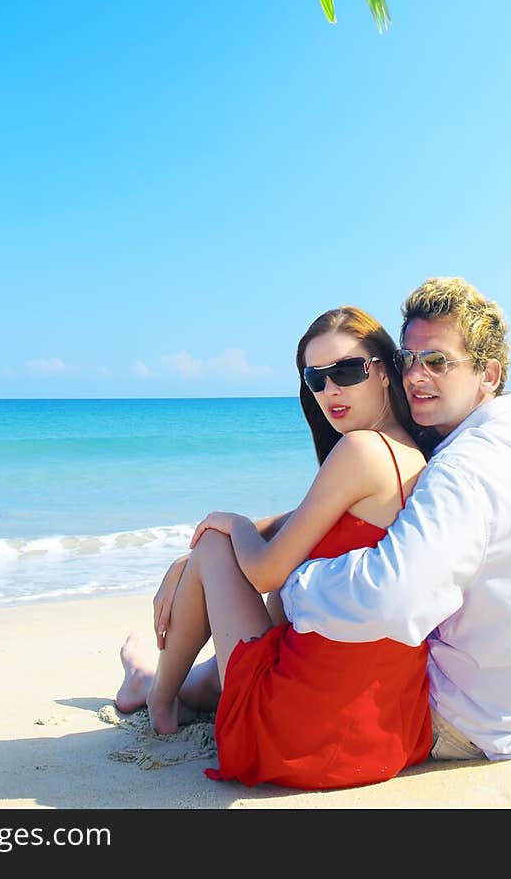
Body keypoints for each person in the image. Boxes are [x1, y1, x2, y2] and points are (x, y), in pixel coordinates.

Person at [280, 277, 511, 762]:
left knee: (303, 648)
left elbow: (390, 601)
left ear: (489, 375)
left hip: (486, 722)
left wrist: (294, 580)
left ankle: (170, 685)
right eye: (407, 360)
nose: (415, 377)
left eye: (437, 362)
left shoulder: (461, 472)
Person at [115, 306, 434, 790]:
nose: (331, 391)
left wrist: (230, 525)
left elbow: (264, 572)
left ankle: (159, 702)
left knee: (221, 549)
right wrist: (191, 558)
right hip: (381, 734)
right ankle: (148, 681)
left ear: (386, 372)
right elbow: (295, 522)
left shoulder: (360, 450)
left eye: (348, 371)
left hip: (302, 735)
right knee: (228, 588)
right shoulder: (407, 453)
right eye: (316, 379)